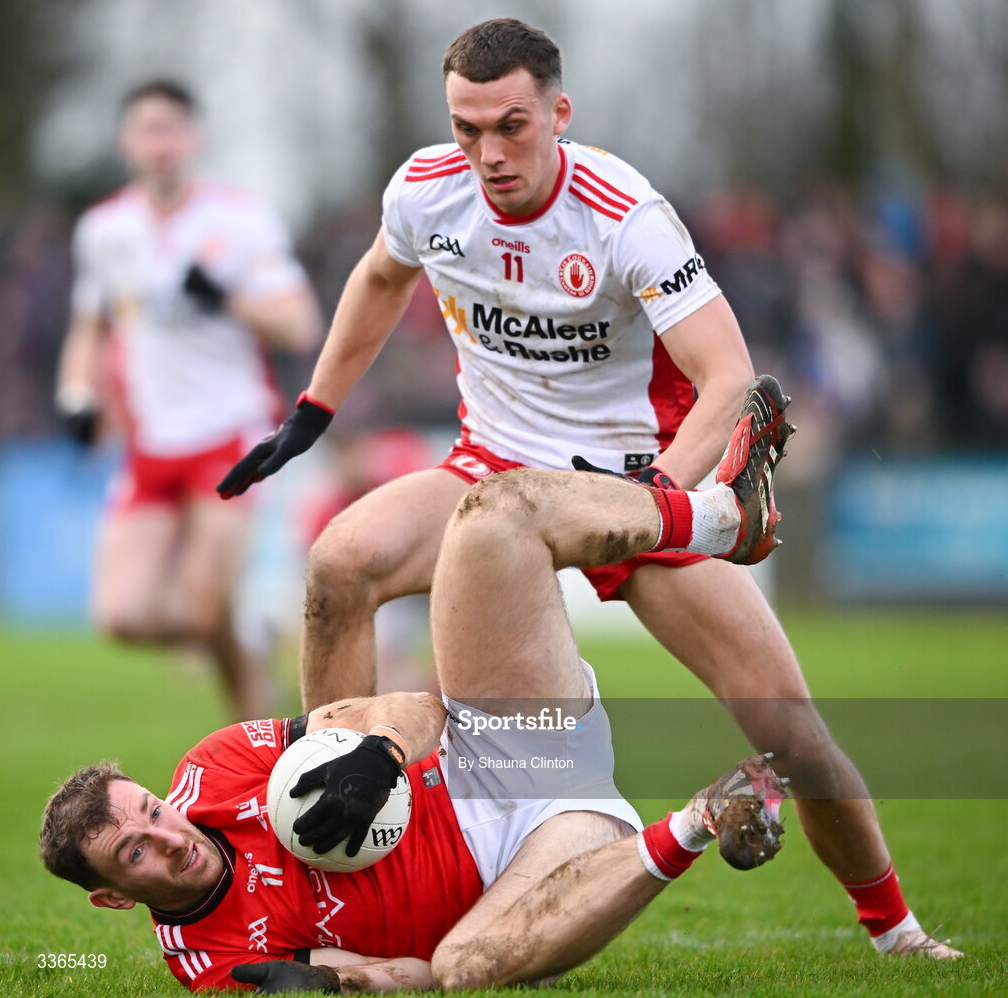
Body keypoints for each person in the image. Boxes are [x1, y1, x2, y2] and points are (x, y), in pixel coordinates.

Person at [216, 20, 962, 959]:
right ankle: (340, 835)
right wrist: (314, 411)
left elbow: (728, 377)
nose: (487, 153)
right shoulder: (425, 191)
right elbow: (377, 277)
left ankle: (895, 933)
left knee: (792, 737)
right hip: (490, 476)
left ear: (559, 114)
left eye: (512, 126)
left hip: (636, 490)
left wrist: (641, 504)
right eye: (466, 127)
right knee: (339, 565)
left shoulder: (622, 213)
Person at [40, 393, 792, 993]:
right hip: (533, 868)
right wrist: (337, 989)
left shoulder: (220, 765)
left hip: (502, 742)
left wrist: (378, 753)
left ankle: (715, 517)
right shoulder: (210, 963)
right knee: (468, 967)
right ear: (112, 898)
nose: (170, 837)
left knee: (489, 512)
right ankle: (705, 817)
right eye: (134, 851)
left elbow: (417, 708)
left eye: (151, 811)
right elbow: (415, 973)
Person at [55, 78, 322, 720]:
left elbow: (301, 323)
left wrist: (226, 297)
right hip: (151, 443)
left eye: (172, 127)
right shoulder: (104, 230)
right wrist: (76, 396)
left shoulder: (238, 218)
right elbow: (90, 329)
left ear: (193, 137)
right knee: (121, 615)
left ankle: (257, 733)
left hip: (229, 431)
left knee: (206, 605)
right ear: (128, 142)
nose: (161, 142)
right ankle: (247, 638)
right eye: (147, 129)